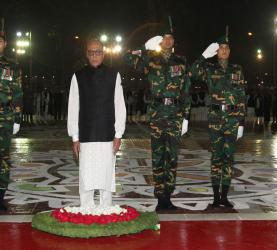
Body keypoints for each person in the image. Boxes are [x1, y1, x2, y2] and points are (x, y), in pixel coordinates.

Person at [125, 20, 191, 211]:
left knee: (172, 157)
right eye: (165, 38)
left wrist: (186, 117)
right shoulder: (150, 59)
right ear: (160, 41)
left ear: (174, 41)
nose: (168, 40)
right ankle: (159, 195)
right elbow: (127, 58)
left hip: (176, 114)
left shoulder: (181, 61)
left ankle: (168, 195)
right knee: (157, 155)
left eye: (171, 38)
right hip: (157, 113)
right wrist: (144, 48)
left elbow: (186, 90)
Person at [67, 39, 126, 208]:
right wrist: (75, 137)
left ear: (104, 53)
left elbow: (119, 105)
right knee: (86, 175)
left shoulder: (114, 75)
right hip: (85, 134)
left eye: (98, 52)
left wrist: (118, 134)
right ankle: (86, 209)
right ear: (86, 54)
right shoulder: (77, 76)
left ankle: (105, 208)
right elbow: (73, 107)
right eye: (91, 52)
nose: (95, 55)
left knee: (106, 174)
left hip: (108, 133)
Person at [191, 32, 246, 208]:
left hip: (232, 120)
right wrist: (203, 56)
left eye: (226, 48)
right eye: (221, 48)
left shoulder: (237, 69)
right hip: (216, 119)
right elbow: (192, 72)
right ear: (217, 52)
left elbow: (242, 97)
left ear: (230, 51)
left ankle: (225, 196)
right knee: (216, 158)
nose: (224, 51)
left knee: (229, 158)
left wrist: (242, 122)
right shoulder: (209, 69)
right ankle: (216, 196)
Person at [0, 28, 23, 211]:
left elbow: (17, 92)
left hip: (5, 118)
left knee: (3, 158)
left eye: (0, 41)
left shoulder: (12, 66)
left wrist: (17, 117)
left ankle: (0, 194)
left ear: (5, 44)